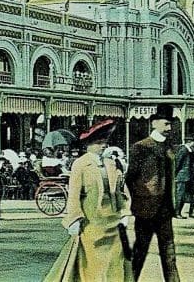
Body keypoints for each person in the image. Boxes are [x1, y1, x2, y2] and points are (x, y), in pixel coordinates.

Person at [43, 119, 132, 281]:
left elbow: (121, 191)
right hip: (91, 223)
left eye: (105, 142)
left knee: (115, 261)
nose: (103, 145)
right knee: (92, 264)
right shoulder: (80, 164)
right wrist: (75, 219)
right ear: (88, 144)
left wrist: (125, 213)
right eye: (99, 142)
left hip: (113, 222)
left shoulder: (111, 164)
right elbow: (74, 195)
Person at [125, 104, 180, 282]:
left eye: (171, 124)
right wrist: (139, 200)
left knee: (169, 253)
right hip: (145, 210)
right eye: (166, 124)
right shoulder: (140, 147)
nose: (169, 128)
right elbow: (130, 178)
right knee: (140, 251)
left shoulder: (170, 148)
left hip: (165, 210)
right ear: (154, 123)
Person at [174, 137, 194, 218]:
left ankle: (189, 212)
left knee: (191, 195)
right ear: (189, 142)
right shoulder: (183, 150)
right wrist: (175, 173)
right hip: (182, 176)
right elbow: (178, 162)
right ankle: (177, 213)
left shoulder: (190, 150)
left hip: (190, 176)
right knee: (180, 195)